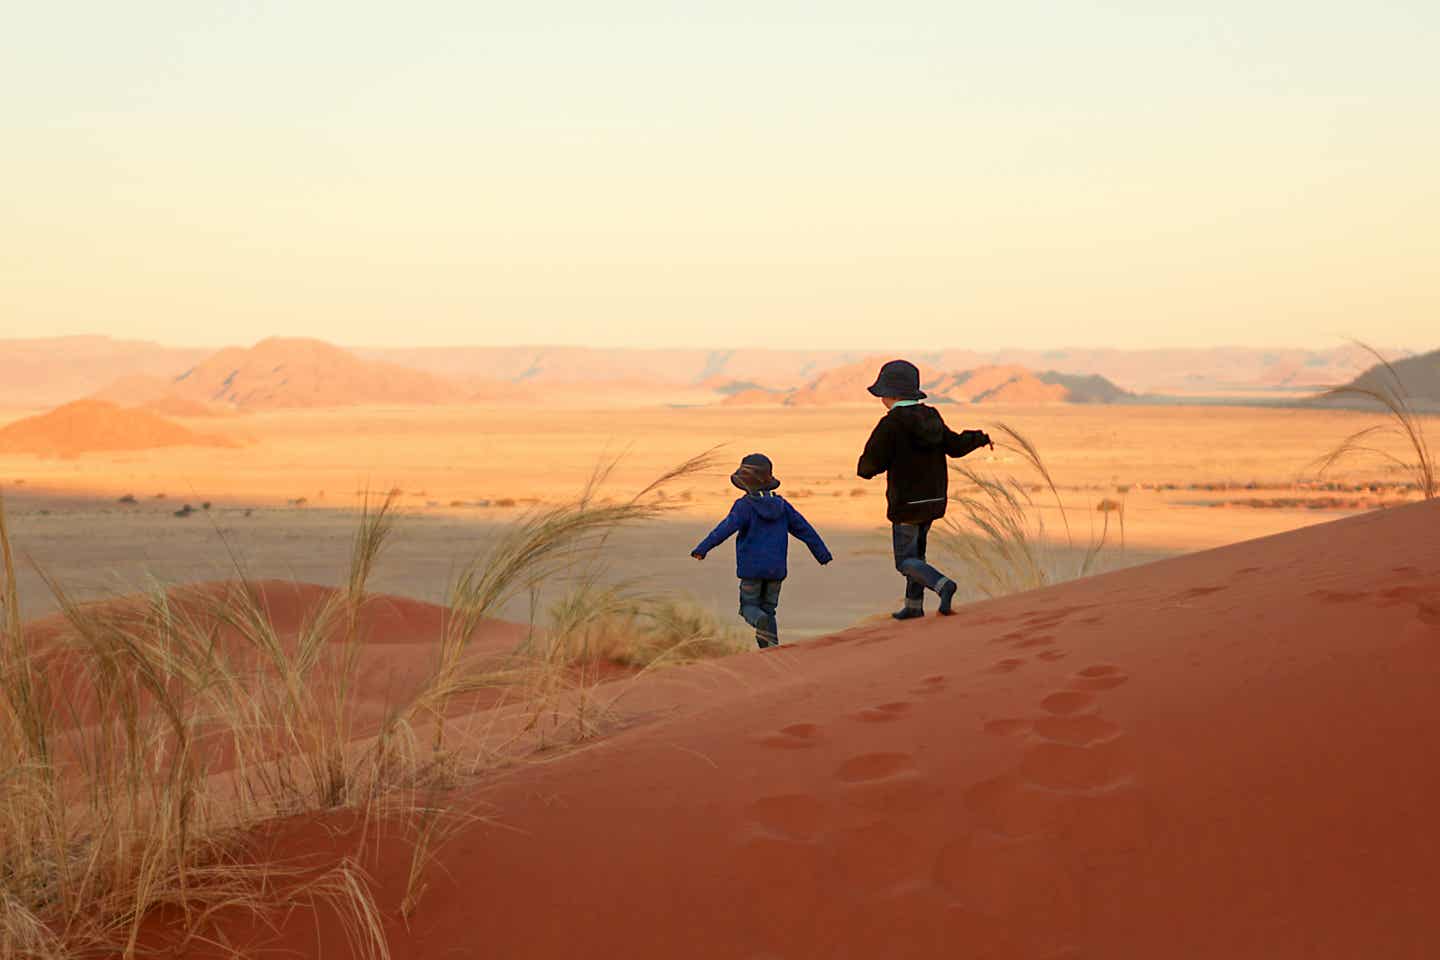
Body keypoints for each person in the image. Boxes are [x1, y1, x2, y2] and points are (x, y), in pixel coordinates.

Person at [856, 359, 991, 620]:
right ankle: (914, 606)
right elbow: (955, 446)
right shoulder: (932, 416)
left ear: (890, 394)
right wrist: (978, 438)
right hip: (934, 500)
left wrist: (866, 469)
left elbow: (869, 464)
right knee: (918, 554)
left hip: (907, 504)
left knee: (905, 561)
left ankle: (942, 584)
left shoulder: (891, 424)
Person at [691, 453, 832, 648]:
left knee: (749, 607)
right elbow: (805, 530)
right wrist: (822, 554)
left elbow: (724, 529)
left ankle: (761, 626)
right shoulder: (782, 506)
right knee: (769, 609)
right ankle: (770, 649)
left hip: (751, 570)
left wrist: (702, 549)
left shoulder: (744, 506)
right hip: (776, 570)